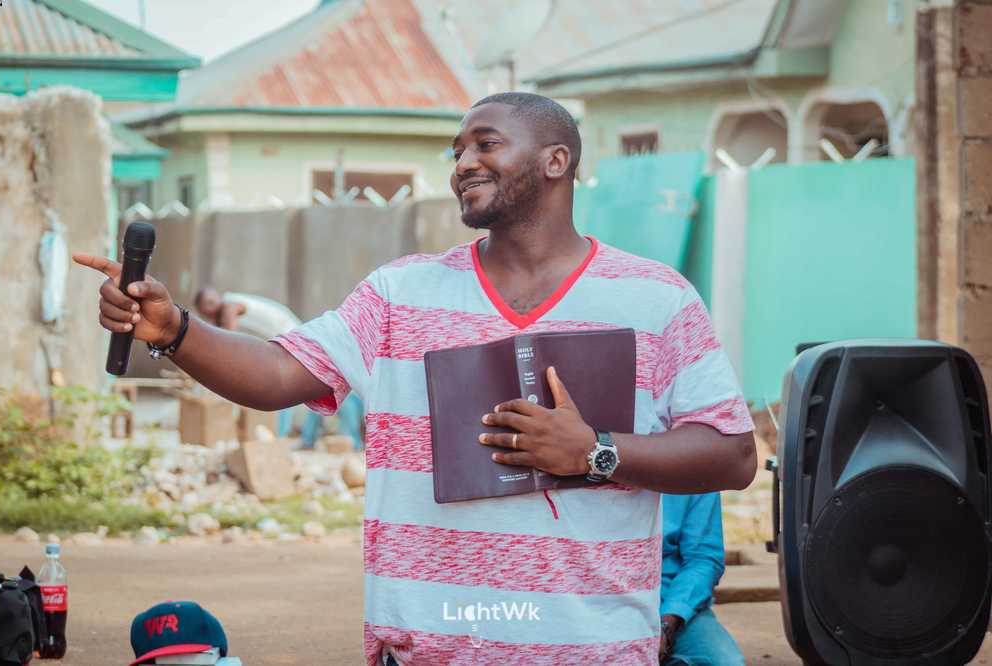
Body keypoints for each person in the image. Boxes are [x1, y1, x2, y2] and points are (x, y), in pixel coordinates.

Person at [76, 92, 756, 665]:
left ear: (558, 161)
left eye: (486, 145)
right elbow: (278, 372)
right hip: (427, 649)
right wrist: (176, 332)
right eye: (456, 151)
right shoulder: (399, 294)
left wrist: (595, 451)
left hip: (592, 649)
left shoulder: (656, 301)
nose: (464, 164)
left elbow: (733, 453)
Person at [193, 286, 364, 446]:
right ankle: (307, 439)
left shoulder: (229, 305)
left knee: (286, 389)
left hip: (290, 335)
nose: (210, 308)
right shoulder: (225, 309)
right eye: (206, 306)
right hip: (282, 338)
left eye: (210, 302)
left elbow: (227, 341)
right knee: (316, 388)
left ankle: (281, 439)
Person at [659, 493, 744, 665]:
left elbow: (702, 559)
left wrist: (667, 624)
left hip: (670, 600)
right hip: (599, 603)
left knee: (726, 662)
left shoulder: (695, 471)